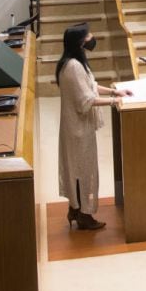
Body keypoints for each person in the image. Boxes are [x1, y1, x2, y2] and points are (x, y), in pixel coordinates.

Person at [57, 22, 132, 231]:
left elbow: (91, 85)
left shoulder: (77, 62)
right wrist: (113, 102)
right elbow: (86, 99)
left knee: (83, 169)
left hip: (81, 127)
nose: (92, 38)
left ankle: (76, 209)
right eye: (88, 35)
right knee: (83, 170)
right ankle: (82, 214)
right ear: (80, 42)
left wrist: (115, 92)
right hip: (77, 130)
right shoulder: (72, 66)